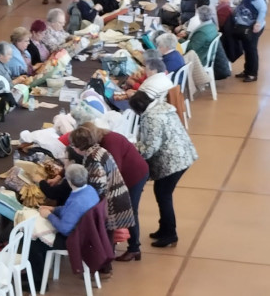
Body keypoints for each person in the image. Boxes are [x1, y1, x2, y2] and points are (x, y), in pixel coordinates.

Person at [129, 90, 198, 248]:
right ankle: (164, 228)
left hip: (172, 160)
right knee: (162, 193)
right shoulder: (162, 107)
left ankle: (170, 233)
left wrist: (133, 145)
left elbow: (149, 149)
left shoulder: (151, 118)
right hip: (183, 154)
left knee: (163, 194)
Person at [29, 164, 102, 285]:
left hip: (73, 239)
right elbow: (69, 209)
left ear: (68, 181)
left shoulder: (77, 200)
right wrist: (53, 209)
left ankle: (37, 282)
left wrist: (49, 215)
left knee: (33, 242)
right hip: (86, 235)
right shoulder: (89, 190)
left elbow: (64, 228)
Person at [68, 124, 134, 235]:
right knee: (109, 236)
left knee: (107, 236)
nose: (73, 148)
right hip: (118, 194)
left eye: (73, 145)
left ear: (79, 146)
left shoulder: (92, 159)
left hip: (111, 203)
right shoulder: (99, 150)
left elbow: (97, 186)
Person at [232, 0, 266, 82]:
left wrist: (258, 23)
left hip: (253, 28)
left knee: (251, 50)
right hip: (247, 27)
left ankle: (252, 74)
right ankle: (247, 70)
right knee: (247, 49)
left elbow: (263, 9)